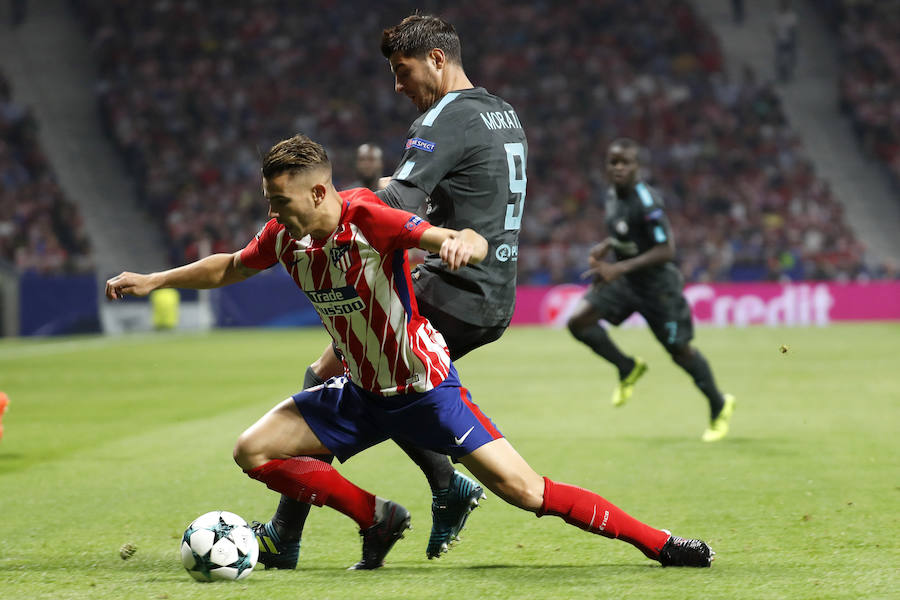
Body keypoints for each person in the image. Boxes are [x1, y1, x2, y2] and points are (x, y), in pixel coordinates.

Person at [106, 133, 715, 570]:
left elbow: (457, 235)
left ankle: (659, 544)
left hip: (426, 393)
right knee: (252, 451)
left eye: (281, 202)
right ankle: (377, 517)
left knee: (529, 493)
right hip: (360, 395)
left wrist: (464, 244)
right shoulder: (283, 235)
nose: (273, 214)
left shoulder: (369, 217)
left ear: (319, 192)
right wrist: (155, 280)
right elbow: (232, 266)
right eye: (269, 202)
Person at [255, 14, 530, 568]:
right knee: (376, 383)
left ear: (436, 59)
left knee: (344, 377)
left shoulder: (444, 119)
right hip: (492, 289)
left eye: (403, 72)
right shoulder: (501, 111)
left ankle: (288, 535)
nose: (399, 87)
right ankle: (442, 486)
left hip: (454, 287)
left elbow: (401, 204)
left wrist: (332, 199)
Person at [567, 138, 736, 442]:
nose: (618, 168)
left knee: (680, 352)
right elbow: (624, 231)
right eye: (613, 162)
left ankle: (719, 403)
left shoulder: (647, 203)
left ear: (636, 167)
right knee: (578, 322)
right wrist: (607, 247)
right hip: (627, 282)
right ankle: (627, 367)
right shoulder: (613, 196)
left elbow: (666, 249)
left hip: (658, 290)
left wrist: (618, 267)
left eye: (625, 163)